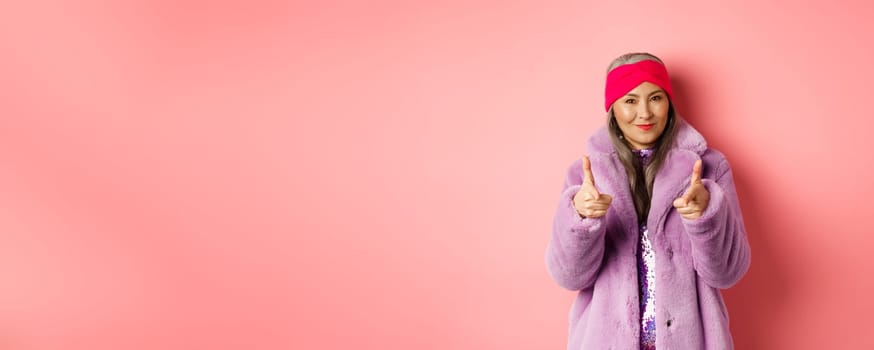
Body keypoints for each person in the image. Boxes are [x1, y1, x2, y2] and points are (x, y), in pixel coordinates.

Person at [545, 52, 751, 349]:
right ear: (612, 108)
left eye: (655, 98)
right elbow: (568, 277)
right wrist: (581, 218)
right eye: (630, 100)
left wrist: (705, 216)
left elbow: (728, 273)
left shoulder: (709, 168)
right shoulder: (585, 176)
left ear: (668, 102)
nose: (645, 112)